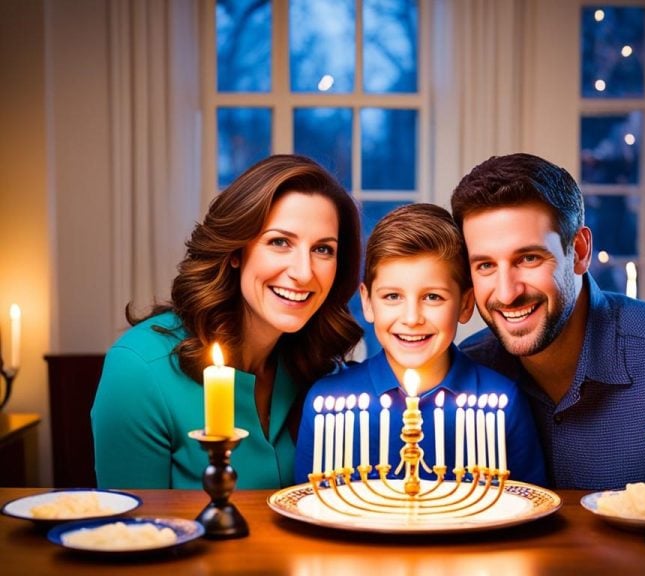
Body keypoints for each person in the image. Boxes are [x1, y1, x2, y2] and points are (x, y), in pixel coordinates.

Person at [451, 152, 645, 490]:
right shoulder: (470, 368)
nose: (507, 292)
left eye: (528, 258)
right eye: (485, 265)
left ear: (580, 251)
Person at [92, 154, 363, 489]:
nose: (303, 273)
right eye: (280, 242)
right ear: (236, 251)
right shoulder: (139, 369)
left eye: (323, 250)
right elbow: (133, 533)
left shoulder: (316, 366)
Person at [294, 203, 546, 485]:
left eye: (433, 297)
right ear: (367, 302)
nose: (412, 318)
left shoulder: (502, 402)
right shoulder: (327, 402)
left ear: (465, 304)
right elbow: (306, 505)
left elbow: (529, 505)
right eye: (392, 296)